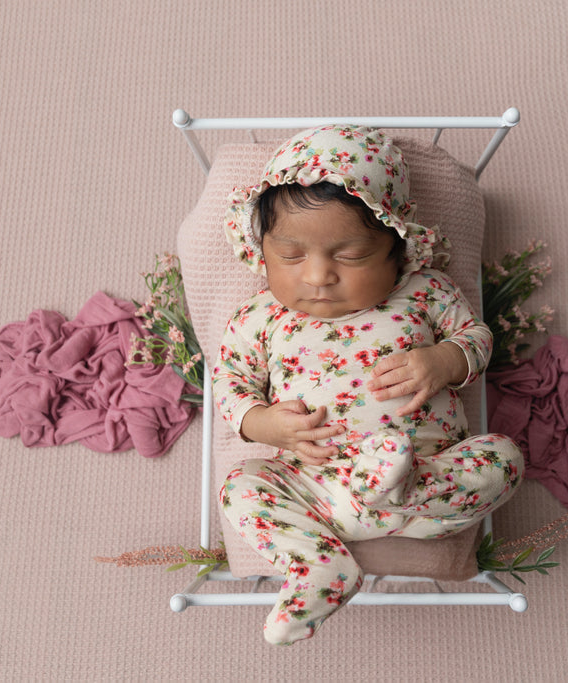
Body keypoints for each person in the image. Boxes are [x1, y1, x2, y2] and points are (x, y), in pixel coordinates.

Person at [213, 124, 523, 645]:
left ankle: (391, 492)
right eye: (290, 255)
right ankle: (319, 565)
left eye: (350, 256)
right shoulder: (260, 316)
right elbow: (230, 380)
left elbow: (476, 338)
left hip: (421, 476)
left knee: (503, 459)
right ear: (261, 250)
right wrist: (264, 422)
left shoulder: (425, 292)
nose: (317, 276)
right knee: (241, 486)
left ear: (397, 248)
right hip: (314, 486)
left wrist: (445, 360)